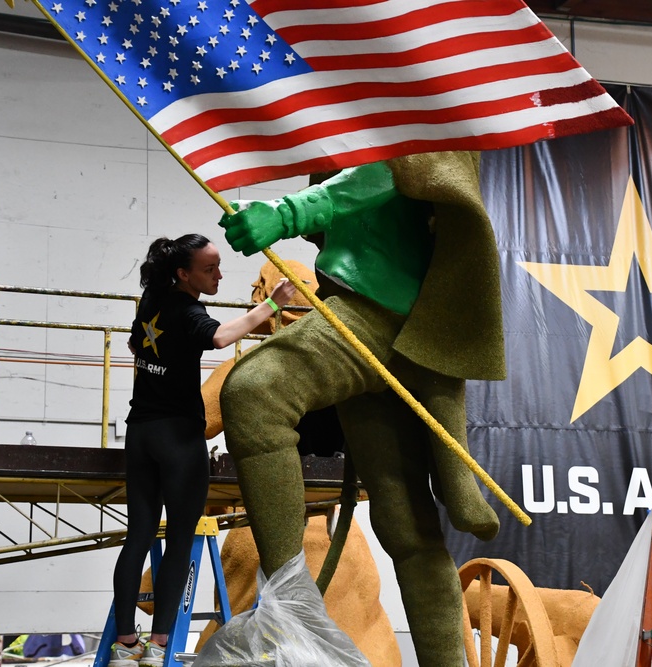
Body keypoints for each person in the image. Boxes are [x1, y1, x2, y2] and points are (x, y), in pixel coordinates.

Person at [216, 151, 505, 665]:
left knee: (255, 391)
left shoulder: (418, 104)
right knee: (406, 526)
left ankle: (291, 610)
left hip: (388, 315)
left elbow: (394, 171)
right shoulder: (366, 113)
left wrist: (287, 214)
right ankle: (292, 608)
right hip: (366, 305)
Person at [109, 234, 295, 667]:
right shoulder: (189, 310)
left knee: (137, 536)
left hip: (141, 432)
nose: (219, 274)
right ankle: (157, 646)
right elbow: (220, 337)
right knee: (177, 543)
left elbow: (137, 345)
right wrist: (273, 304)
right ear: (183, 273)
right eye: (210, 269)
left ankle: (124, 646)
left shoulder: (151, 300)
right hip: (177, 437)